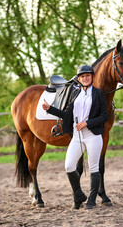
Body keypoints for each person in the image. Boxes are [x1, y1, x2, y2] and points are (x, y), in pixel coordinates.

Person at [42, 64, 108, 209]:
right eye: (82, 76)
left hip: (93, 136)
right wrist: (50, 109)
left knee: (94, 168)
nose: (85, 78)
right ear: (79, 79)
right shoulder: (76, 94)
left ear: (92, 77)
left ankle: (91, 200)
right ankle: (78, 194)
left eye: (88, 76)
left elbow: (104, 116)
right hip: (77, 137)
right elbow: (67, 115)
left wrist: (87, 123)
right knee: (69, 165)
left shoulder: (98, 94)